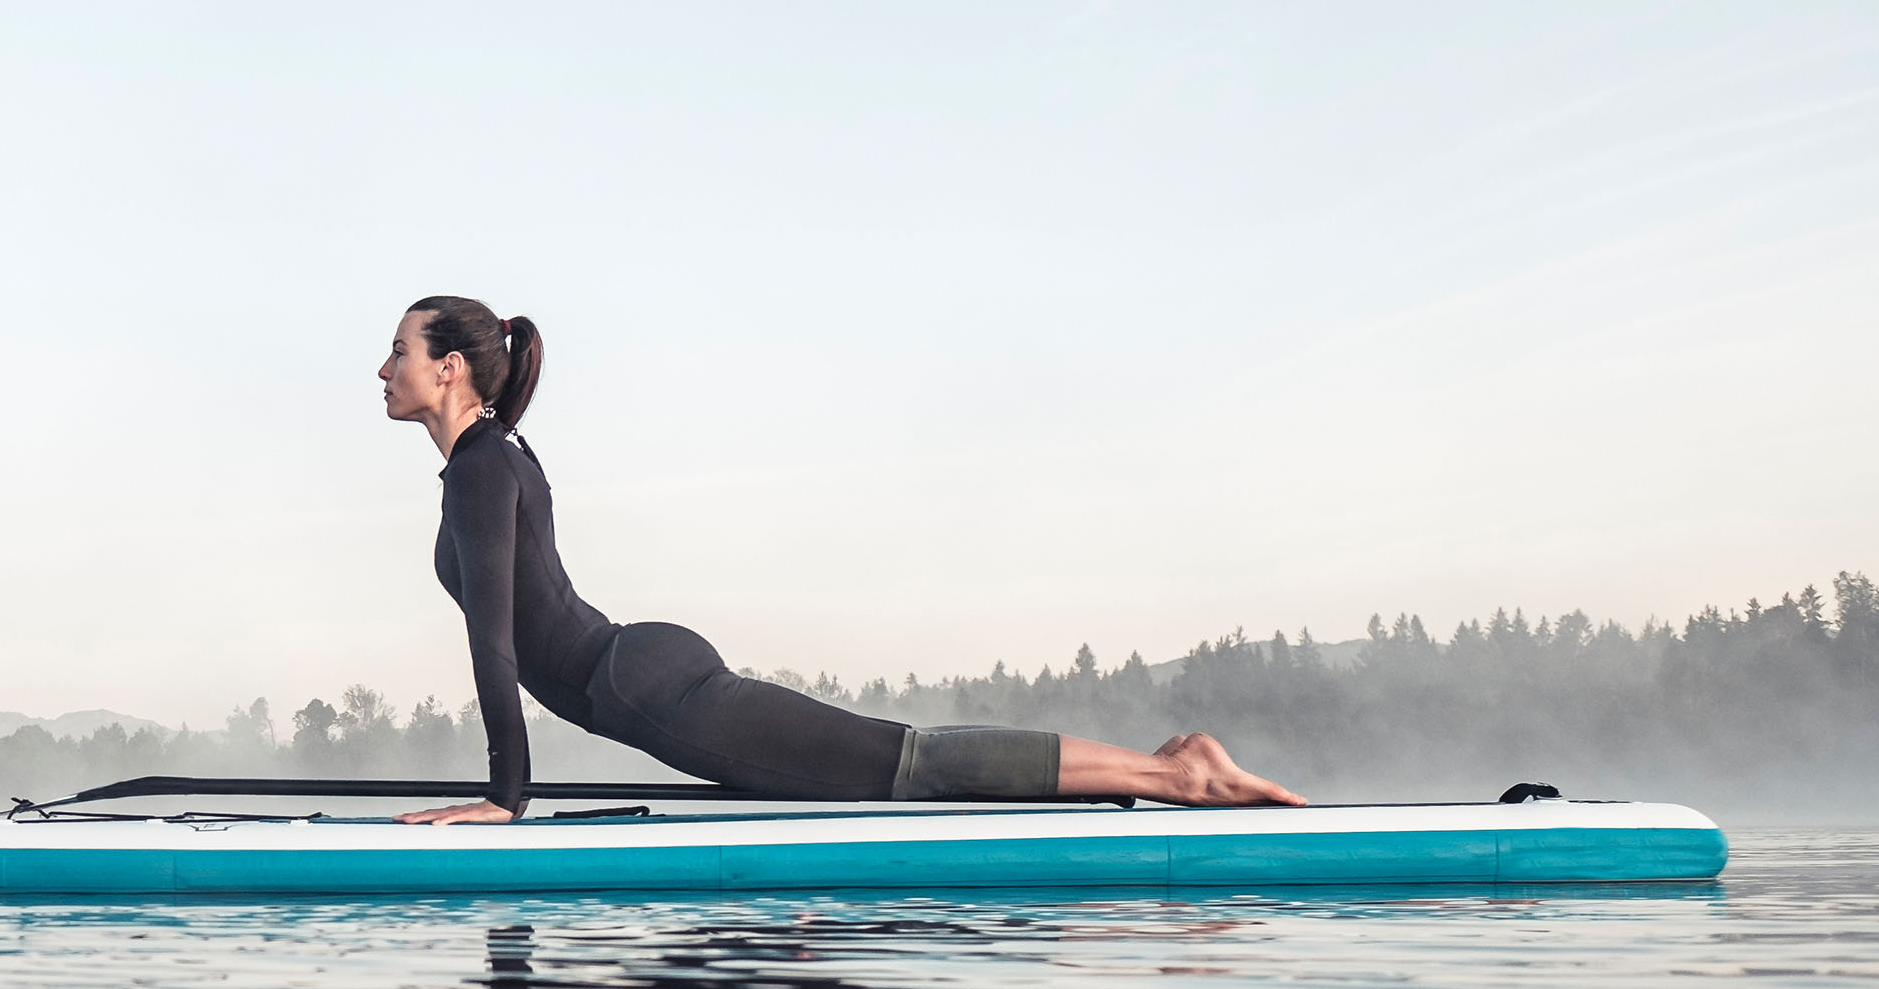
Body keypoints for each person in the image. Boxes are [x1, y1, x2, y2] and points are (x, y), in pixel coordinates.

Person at [376, 296, 1305, 821]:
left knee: (908, 766)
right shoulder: (491, 460)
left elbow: (495, 645)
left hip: (646, 690)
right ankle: (1163, 763)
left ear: (450, 366)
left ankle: (1178, 777)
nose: (383, 370)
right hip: (640, 677)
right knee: (901, 761)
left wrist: (504, 797)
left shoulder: (480, 468)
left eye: (398, 351)